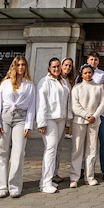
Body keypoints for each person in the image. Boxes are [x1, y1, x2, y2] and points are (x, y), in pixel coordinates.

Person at [0, 56, 36, 198]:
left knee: (18, 153)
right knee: (2, 151)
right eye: (18, 65)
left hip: (21, 118)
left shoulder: (29, 85)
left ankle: (15, 186)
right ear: (13, 67)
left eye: (23, 65)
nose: (20, 67)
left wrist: (29, 125)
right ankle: (1, 186)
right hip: (5, 116)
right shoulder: (5, 83)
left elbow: (32, 106)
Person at [36, 57, 71, 194]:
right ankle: (45, 183)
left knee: (55, 149)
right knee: (50, 148)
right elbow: (41, 103)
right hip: (49, 119)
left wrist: (67, 121)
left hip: (61, 119)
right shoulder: (44, 82)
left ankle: (48, 179)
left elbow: (67, 103)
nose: (56, 69)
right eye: (54, 67)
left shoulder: (63, 81)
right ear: (49, 68)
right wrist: (41, 122)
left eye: (58, 66)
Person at [69, 64, 104, 187]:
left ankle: (89, 176)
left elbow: (102, 103)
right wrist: (86, 115)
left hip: (94, 121)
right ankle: (74, 177)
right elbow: (75, 105)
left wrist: (95, 115)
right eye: (85, 73)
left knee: (92, 149)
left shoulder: (98, 87)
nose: (88, 75)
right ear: (81, 74)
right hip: (79, 121)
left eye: (90, 72)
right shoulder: (77, 88)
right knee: (77, 149)